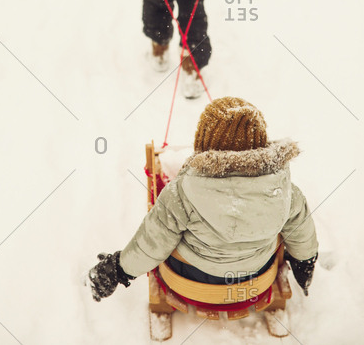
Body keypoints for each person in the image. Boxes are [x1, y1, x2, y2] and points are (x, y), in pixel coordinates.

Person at [88, 97, 318, 302]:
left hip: (193, 279)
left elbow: (152, 244)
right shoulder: (287, 191)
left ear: (204, 141)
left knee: (169, 232)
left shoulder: (180, 192)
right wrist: (304, 265)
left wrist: (118, 268)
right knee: (283, 227)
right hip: (255, 278)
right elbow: (303, 236)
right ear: (261, 142)